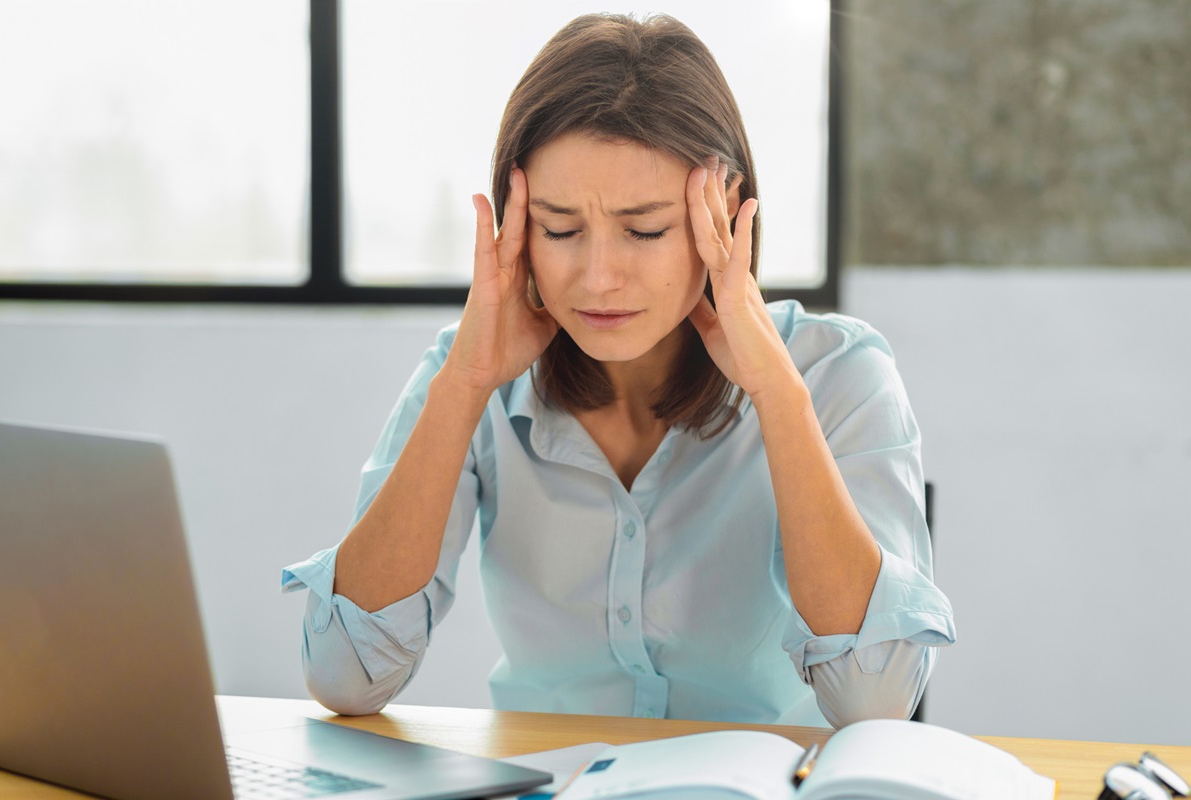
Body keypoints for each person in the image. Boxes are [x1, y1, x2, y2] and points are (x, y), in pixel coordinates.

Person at [282, 12, 955, 728]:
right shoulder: (472, 374)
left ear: (724, 211)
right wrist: (464, 385)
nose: (598, 277)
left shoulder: (838, 374)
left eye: (644, 229)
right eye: (561, 229)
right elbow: (346, 679)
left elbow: (876, 703)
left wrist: (777, 394)